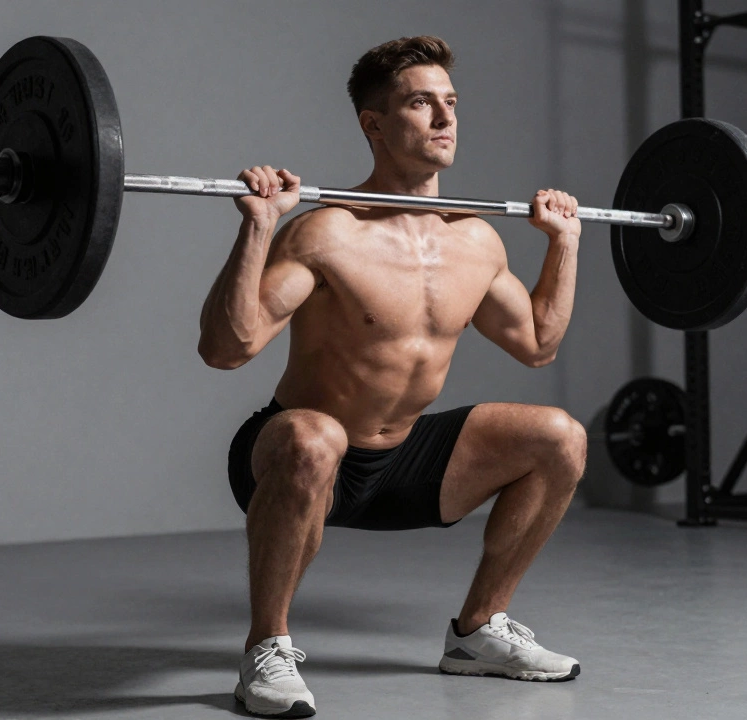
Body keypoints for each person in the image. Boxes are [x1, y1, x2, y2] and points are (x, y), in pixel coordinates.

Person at [198, 36, 585, 718]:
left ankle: (478, 632)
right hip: (298, 453)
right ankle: (267, 648)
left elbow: (538, 344)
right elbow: (229, 348)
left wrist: (565, 244)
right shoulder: (328, 234)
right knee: (313, 438)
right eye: (421, 103)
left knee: (559, 436)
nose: (445, 119)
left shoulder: (476, 241)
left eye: (451, 104)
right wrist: (258, 227)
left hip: (403, 462)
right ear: (373, 124)